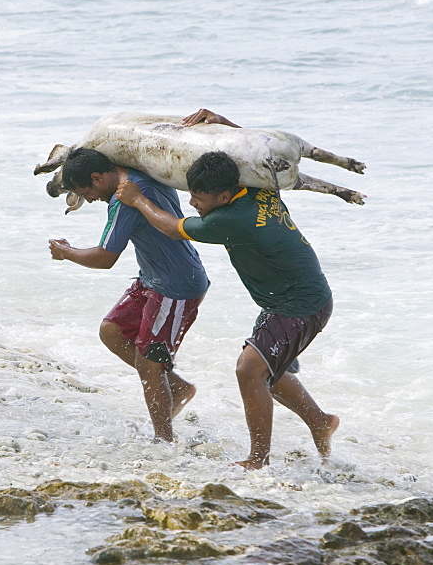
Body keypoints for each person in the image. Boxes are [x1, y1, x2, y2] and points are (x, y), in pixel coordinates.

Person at [115, 109, 339, 469]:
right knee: (271, 370)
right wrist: (222, 122)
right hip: (294, 298)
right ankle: (320, 422)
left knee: (249, 370)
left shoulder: (230, 220)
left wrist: (138, 200)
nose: (192, 203)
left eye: (199, 197)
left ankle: (258, 460)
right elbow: (251, 153)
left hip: (299, 305)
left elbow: (172, 228)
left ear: (222, 196)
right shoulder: (256, 187)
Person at [48, 147, 210, 442]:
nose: (91, 199)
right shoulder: (137, 177)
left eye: (88, 192)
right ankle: (176, 388)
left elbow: (105, 257)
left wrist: (65, 252)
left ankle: (163, 441)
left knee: (150, 364)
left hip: (175, 287)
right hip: (152, 278)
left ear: (98, 177)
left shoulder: (125, 201)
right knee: (111, 331)